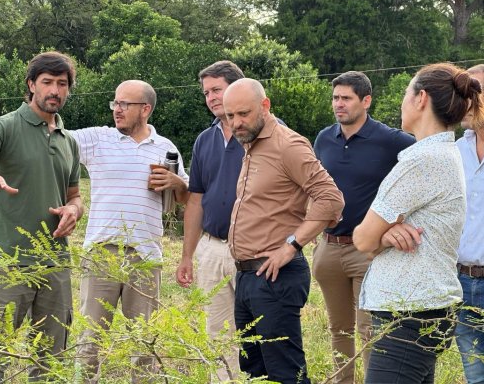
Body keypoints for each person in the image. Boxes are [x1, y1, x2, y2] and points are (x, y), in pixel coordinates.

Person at [0, 51, 83, 383]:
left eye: (62, 84)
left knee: (52, 360)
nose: (55, 90)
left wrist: (74, 211)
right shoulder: (5, 126)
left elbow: (74, 196)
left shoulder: (69, 141)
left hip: (55, 264)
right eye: (47, 82)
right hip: (9, 264)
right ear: (31, 85)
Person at [353, 62, 484, 384]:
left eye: (405, 92)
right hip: (426, 306)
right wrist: (386, 232)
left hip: (409, 311)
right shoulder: (445, 153)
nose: (402, 101)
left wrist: (380, 236)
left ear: (421, 98)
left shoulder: (421, 160)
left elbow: (363, 239)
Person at [224, 78, 345, 383]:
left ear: (265, 106)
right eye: (230, 116)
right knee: (255, 372)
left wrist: (291, 244)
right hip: (247, 276)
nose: (236, 123)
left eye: (243, 114)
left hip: (275, 277)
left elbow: (330, 199)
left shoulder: (287, 144)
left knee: (284, 374)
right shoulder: (251, 146)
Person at [69, 80, 189, 382]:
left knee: (144, 344)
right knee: (89, 340)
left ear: (145, 109)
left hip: (145, 256)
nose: (116, 110)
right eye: (115, 103)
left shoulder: (166, 149)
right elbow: (55, 140)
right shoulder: (98, 139)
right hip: (101, 254)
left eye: (125, 104)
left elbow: (186, 197)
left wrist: (178, 184)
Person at [313, 71, 415, 383]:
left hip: (368, 252)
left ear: (366, 101)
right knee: (338, 329)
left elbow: (423, 175)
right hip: (328, 248)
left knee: (369, 330)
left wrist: (399, 222)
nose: (338, 104)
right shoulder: (323, 139)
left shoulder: (392, 140)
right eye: (335, 98)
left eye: (346, 98)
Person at [174, 60, 245, 380]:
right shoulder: (205, 139)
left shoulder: (272, 131)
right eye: (206, 93)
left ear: (238, 88)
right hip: (214, 248)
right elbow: (196, 200)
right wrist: (188, 255)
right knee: (218, 335)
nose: (211, 97)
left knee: (265, 333)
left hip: (257, 250)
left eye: (217, 89)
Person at [455, 63, 484, 384]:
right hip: (462, 282)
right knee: (475, 376)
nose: (465, 101)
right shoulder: (455, 152)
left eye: (474, 92)